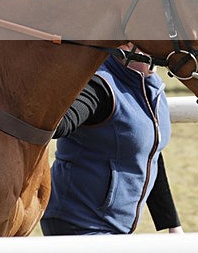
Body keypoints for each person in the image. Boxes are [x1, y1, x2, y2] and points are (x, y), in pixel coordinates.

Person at [40, 47, 183, 235]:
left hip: (116, 229)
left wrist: (172, 224)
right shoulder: (98, 85)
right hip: (77, 224)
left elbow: (150, 153)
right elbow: (56, 125)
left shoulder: (152, 86)